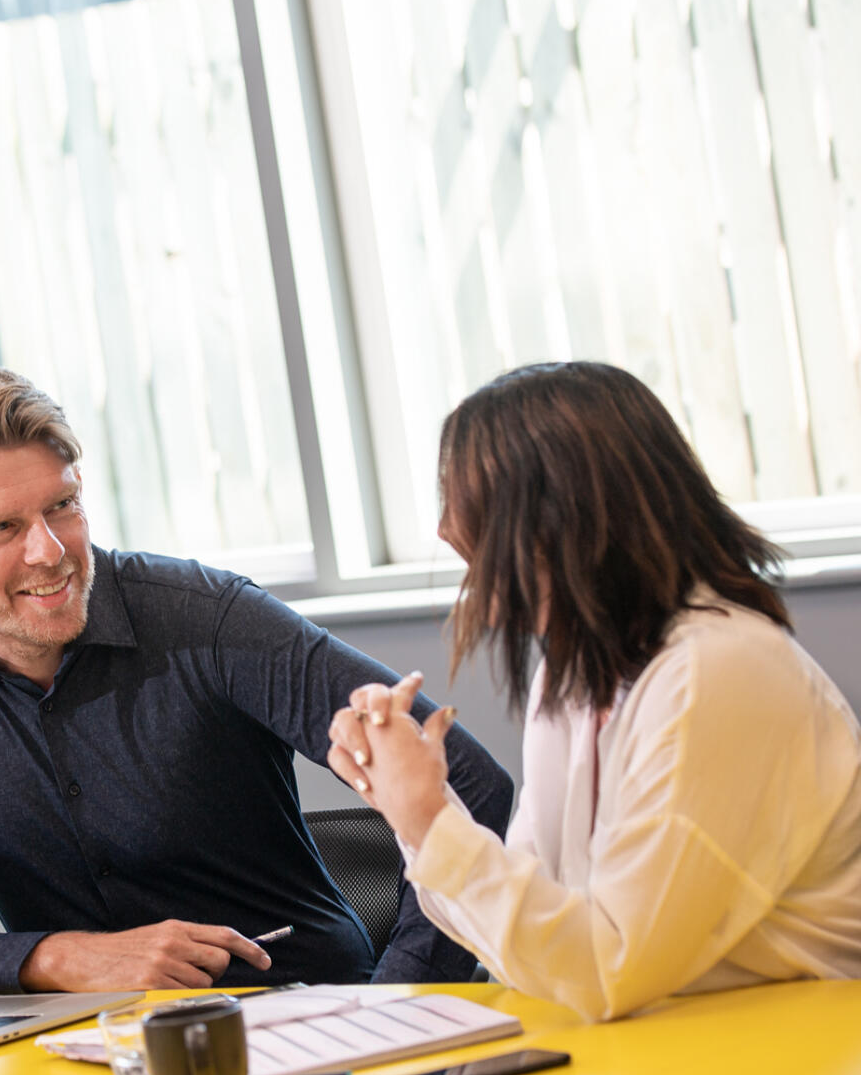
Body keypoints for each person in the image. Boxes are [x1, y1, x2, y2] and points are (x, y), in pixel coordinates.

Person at [0, 361, 514, 994]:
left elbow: (471, 783)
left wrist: (398, 1003)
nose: (52, 552)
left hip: (300, 1014)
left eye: (62, 506)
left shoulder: (207, 617)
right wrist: (53, 958)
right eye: (2, 528)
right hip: (79, 1052)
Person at [327, 361, 861, 1021]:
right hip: (671, 1049)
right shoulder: (579, 671)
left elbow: (605, 967)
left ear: (566, 517)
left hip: (799, 1055)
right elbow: (530, 943)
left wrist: (427, 819)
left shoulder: (718, 673)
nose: (444, 529)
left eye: (465, 494)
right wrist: (414, 809)